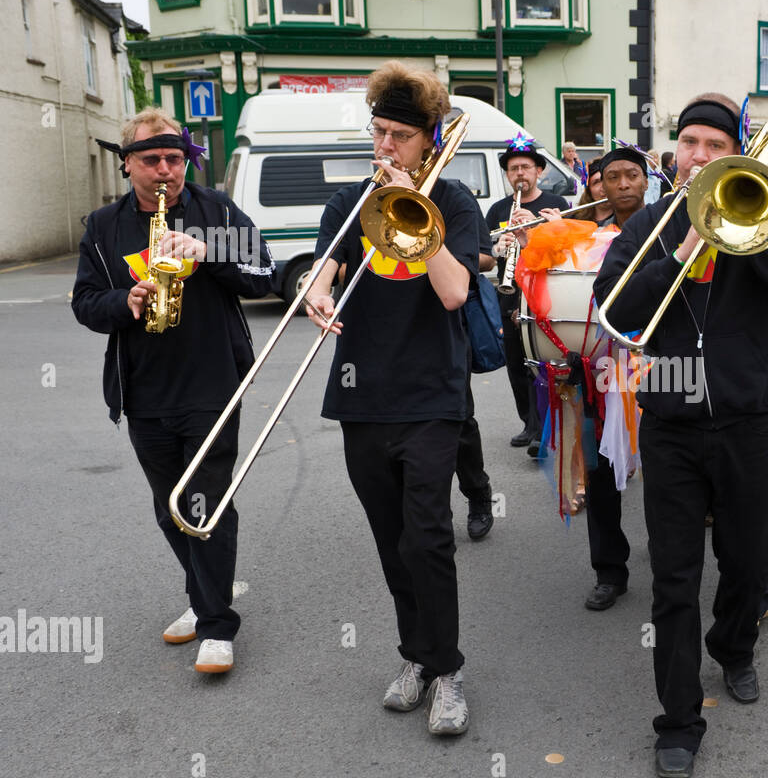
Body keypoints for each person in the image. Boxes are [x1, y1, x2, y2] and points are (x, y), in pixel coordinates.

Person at [594, 93, 768, 778]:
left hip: (750, 420)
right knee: (673, 576)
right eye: (688, 142)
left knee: (750, 563)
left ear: (736, 154)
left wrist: (744, 235)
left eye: (713, 145)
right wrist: (683, 251)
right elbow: (616, 311)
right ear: (675, 152)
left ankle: (735, 643)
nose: (697, 154)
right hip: (670, 422)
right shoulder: (651, 226)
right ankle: (679, 718)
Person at [303, 61, 480, 734]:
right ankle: (417, 655)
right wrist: (316, 292)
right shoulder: (348, 202)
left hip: (432, 395)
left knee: (429, 535)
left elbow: (455, 291)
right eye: (379, 132)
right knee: (392, 539)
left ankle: (449, 667)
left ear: (428, 140)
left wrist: (416, 206)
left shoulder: (455, 203)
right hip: (362, 396)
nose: (385, 148)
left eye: (400, 136)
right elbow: (324, 268)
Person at [72, 107, 275, 674]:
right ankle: (203, 594)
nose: (166, 170)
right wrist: (125, 303)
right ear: (127, 165)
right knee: (170, 508)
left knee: (206, 502)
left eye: (175, 158)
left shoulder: (214, 210)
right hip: (144, 391)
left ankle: (216, 625)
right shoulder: (103, 227)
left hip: (213, 383)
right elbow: (84, 303)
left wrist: (208, 253)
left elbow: (264, 272)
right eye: (152, 159)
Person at [520, 146, 650, 610]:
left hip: (660, 367)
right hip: (598, 369)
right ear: (599, 185)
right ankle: (609, 570)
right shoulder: (586, 238)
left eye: (631, 175)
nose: (622, 184)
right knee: (599, 471)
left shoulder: (670, 226)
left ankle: (674, 557)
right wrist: (541, 240)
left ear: (647, 179)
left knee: (666, 469)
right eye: (611, 176)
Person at [486, 135, 570, 452]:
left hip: (544, 292)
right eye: (513, 169)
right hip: (510, 292)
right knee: (516, 361)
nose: (519, 174)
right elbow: (486, 252)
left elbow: (565, 250)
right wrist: (499, 246)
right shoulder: (497, 209)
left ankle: (546, 426)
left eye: (525, 167)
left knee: (544, 361)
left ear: (539, 171)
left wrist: (534, 233)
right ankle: (528, 423)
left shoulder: (557, 205)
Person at [453, 218, 498, 541]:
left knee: (458, 420)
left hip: (448, 325)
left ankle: (478, 495)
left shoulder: (454, 198)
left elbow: (486, 258)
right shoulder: (364, 199)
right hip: (391, 328)